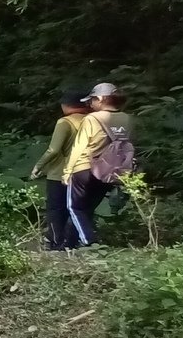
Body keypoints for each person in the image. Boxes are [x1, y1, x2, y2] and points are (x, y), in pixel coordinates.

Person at [63, 83, 134, 247]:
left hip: (84, 168)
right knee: (87, 209)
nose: (90, 104)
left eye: (92, 100)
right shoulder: (128, 118)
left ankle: (90, 242)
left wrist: (67, 171)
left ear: (101, 99)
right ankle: (70, 243)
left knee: (74, 208)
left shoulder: (91, 118)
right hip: (110, 171)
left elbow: (79, 146)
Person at [31, 90, 91, 250]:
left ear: (66, 105)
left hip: (60, 172)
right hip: (86, 171)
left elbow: (54, 150)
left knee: (56, 208)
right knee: (79, 208)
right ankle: (73, 242)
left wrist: (39, 166)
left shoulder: (65, 122)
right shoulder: (92, 120)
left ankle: (56, 242)